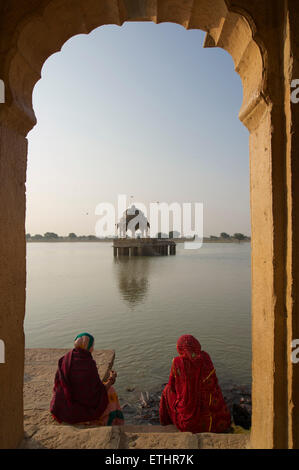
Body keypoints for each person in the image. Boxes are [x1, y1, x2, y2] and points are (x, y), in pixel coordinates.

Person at [159, 334, 231, 433]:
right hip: (214, 418)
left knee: (166, 390)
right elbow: (214, 383)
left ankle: (166, 421)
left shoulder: (177, 362)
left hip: (189, 422)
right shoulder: (205, 357)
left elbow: (172, 385)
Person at [50, 332, 124, 426]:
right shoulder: (88, 364)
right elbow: (97, 392)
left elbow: (59, 383)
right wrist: (111, 380)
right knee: (111, 391)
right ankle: (114, 423)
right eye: (92, 346)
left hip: (62, 406)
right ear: (87, 347)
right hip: (79, 409)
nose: (93, 348)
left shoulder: (65, 358)